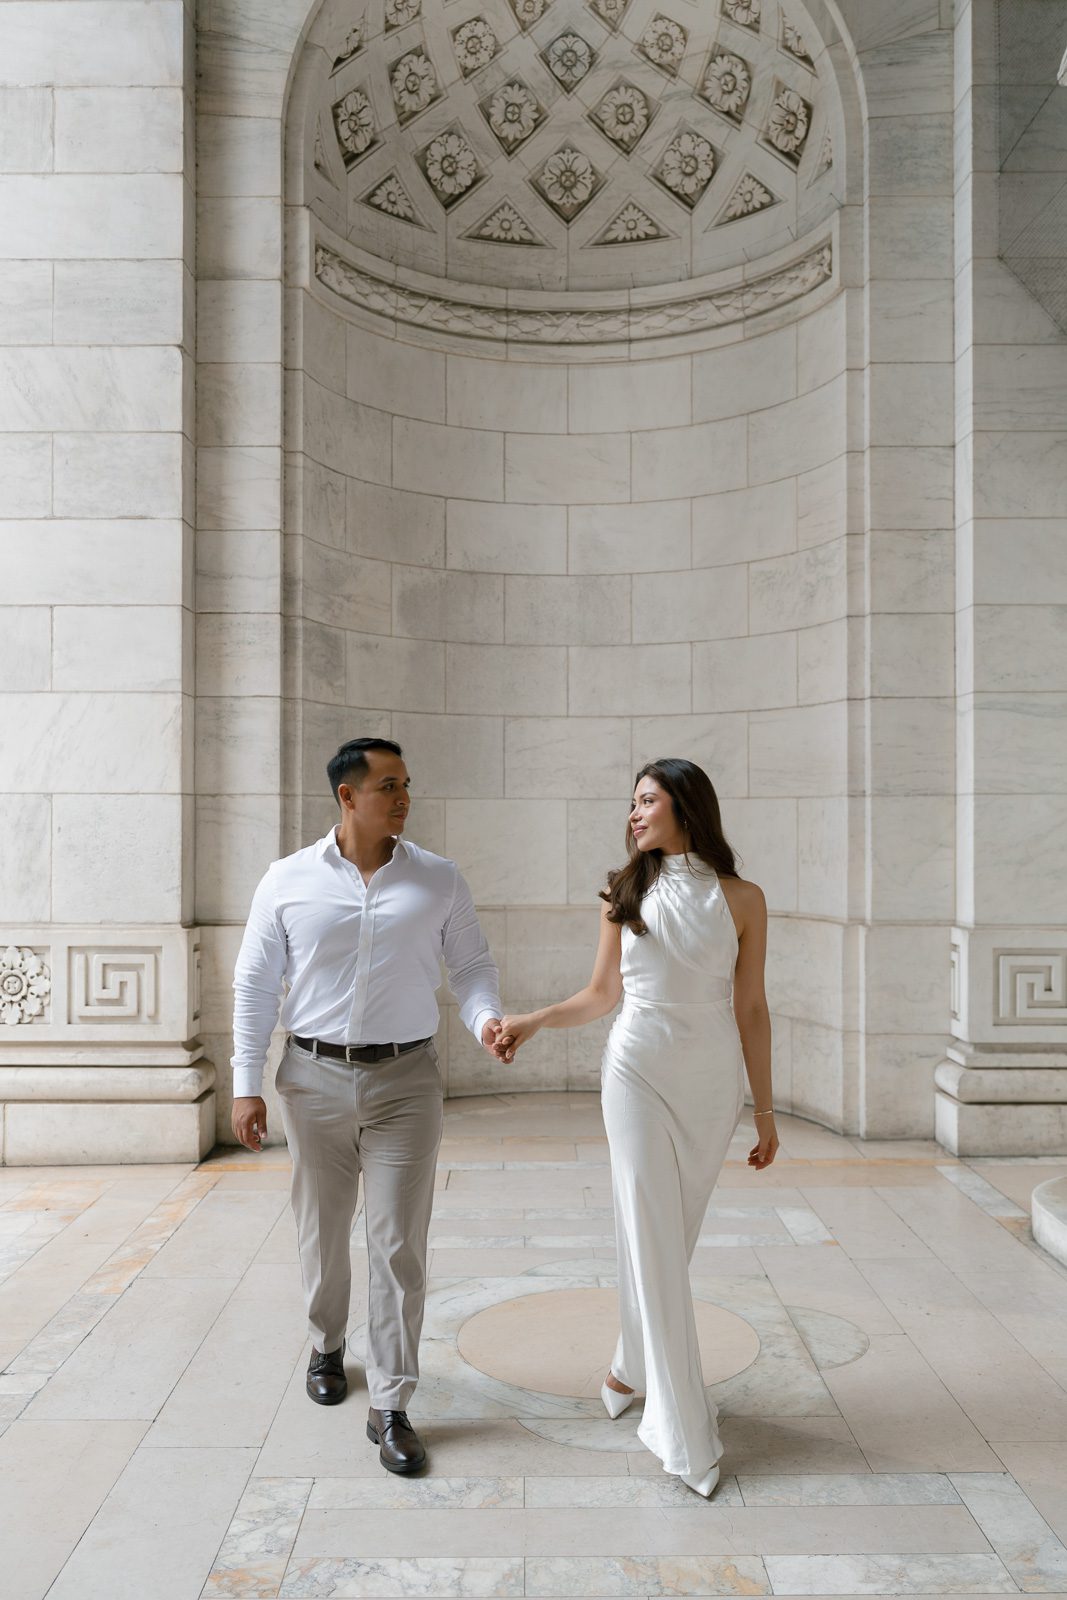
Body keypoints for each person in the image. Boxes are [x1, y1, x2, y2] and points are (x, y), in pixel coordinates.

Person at [499, 758, 777, 1498]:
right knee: (652, 1235)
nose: (633, 813)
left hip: (711, 1080)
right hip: (636, 1070)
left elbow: (750, 1009)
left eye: (646, 800)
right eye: (631, 802)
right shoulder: (626, 891)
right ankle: (685, 1432)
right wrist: (531, 1021)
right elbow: (599, 995)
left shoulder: (743, 899)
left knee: (666, 1239)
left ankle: (627, 1366)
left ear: (685, 807)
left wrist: (767, 1108)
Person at [230, 737, 503, 1476]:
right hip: (311, 1080)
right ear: (347, 797)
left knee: (397, 1245)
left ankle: (390, 1403)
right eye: (389, 786)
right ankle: (325, 1342)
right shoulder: (286, 880)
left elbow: (472, 966)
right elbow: (256, 983)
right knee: (321, 1230)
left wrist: (484, 1021)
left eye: (407, 784)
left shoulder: (438, 879)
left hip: (405, 1083)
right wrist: (244, 1080)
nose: (404, 798)